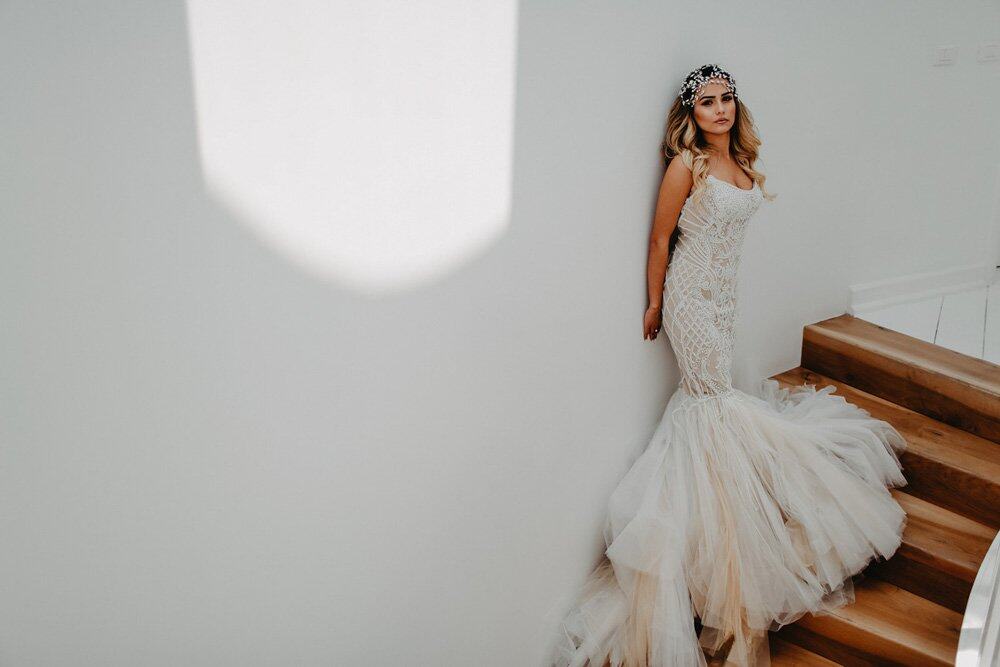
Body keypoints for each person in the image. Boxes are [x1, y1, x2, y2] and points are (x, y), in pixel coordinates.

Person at [551, 64, 909, 667]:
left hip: (724, 300)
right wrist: (656, 303)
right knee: (712, 404)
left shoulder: (741, 166)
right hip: (691, 300)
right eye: (707, 102)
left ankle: (739, 513)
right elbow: (661, 240)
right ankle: (721, 539)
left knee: (716, 407)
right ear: (690, 113)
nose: (719, 110)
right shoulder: (685, 166)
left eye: (727, 100)